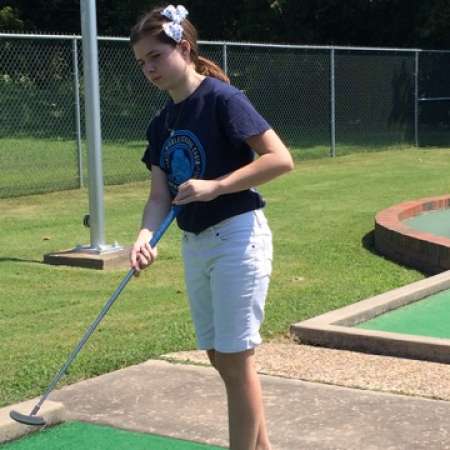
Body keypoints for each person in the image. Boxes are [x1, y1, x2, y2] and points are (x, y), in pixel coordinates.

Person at [129, 5, 294, 450]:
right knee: (221, 357)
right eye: (142, 62)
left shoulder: (224, 100)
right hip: (195, 244)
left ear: (183, 48)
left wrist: (216, 186)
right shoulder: (161, 124)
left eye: (155, 57)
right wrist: (145, 237)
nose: (149, 69)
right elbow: (158, 198)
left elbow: (281, 159)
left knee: (236, 360)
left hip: (237, 237)